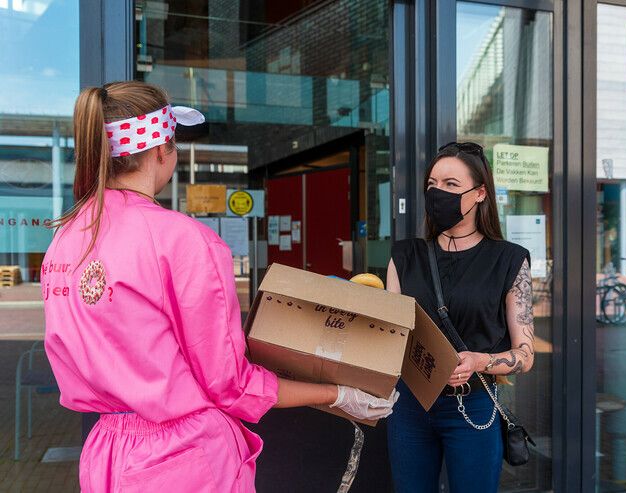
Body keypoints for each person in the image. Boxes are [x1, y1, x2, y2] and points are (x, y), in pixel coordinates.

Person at [41, 81, 397, 493]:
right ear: (162, 150)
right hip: (180, 459)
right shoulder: (183, 239)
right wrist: (336, 393)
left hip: (105, 456)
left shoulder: (66, 239)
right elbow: (231, 385)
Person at [386, 142, 535, 493]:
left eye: (451, 185)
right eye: (432, 184)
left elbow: (526, 355)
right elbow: (392, 337)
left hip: (474, 405)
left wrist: (480, 360)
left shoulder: (510, 260)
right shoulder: (405, 257)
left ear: (479, 192)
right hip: (409, 404)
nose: (438, 193)